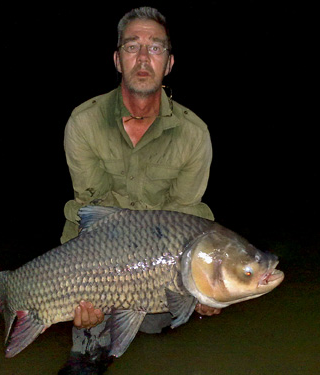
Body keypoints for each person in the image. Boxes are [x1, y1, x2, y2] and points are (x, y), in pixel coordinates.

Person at [58, 7, 220, 374]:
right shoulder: (84, 123)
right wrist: (82, 285)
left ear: (170, 62)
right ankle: (91, 339)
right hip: (99, 252)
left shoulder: (194, 134)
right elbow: (89, 211)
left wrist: (201, 291)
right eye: (133, 47)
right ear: (117, 60)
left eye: (156, 48)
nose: (144, 58)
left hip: (158, 254)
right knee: (86, 341)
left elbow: (186, 217)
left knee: (161, 319)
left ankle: (148, 318)